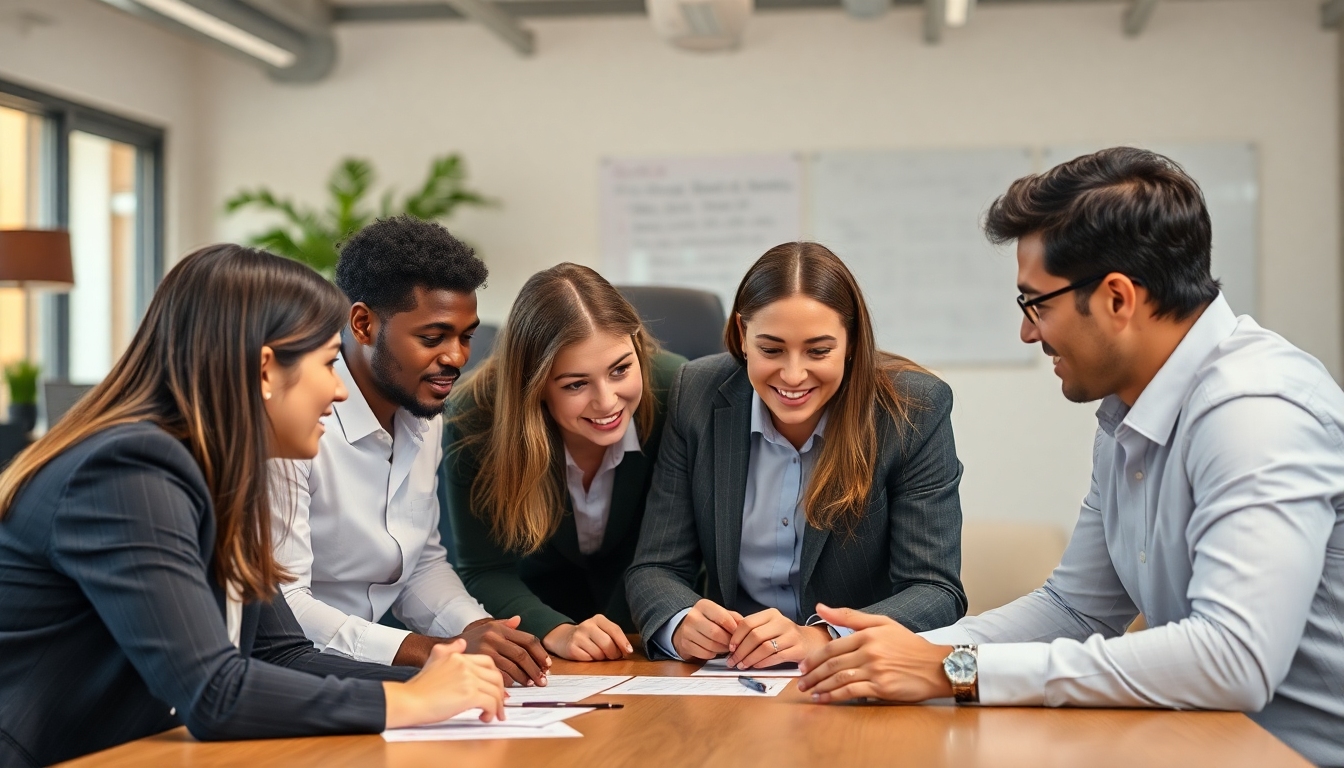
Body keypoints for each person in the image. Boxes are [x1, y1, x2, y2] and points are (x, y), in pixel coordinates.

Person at [795, 148, 1344, 768]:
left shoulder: (1255, 412)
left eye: (1037, 304)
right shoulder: (1129, 413)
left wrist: (956, 669)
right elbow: (1077, 609)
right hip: (1207, 746)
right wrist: (892, 652)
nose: (1028, 333)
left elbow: (1232, 660)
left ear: (1116, 299)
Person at [0, 245, 506, 768]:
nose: (337, 391)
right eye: (329, 363)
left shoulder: (218, 473)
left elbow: (281, 654)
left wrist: (445, 683)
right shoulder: (130, 470)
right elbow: (213, 692)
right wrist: (409, 699)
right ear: (266, 370)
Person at [625, 242, 966, 670]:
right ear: (742, 336)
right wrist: (681, 620)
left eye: (818, 351)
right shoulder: (697, 394)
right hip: (731, 677)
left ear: (852, 342)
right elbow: (655, 567)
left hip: (853, 677)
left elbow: (935, 590)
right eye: (771, 349)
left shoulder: (913, 410)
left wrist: (819, 637)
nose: (792, 374)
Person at [269, 216, 550, 687]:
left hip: (371, 674)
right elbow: (284, 605)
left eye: (465, 336)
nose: (457, 358)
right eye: (432, 338)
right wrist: (429, 650)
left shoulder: (423, 409)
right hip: (300, 675)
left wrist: (475, 631)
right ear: (363, 324)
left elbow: (418, 562)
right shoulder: (293, 425)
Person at [443, 264, 686, 662]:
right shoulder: (475, 418)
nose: (607, 401)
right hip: (536, 637)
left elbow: (700, 548)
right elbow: (484, 569)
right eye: (576, 384)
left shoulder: (677, 391)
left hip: (648, 636)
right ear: (534, 385)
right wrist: (555, 630)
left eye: (620, 370)